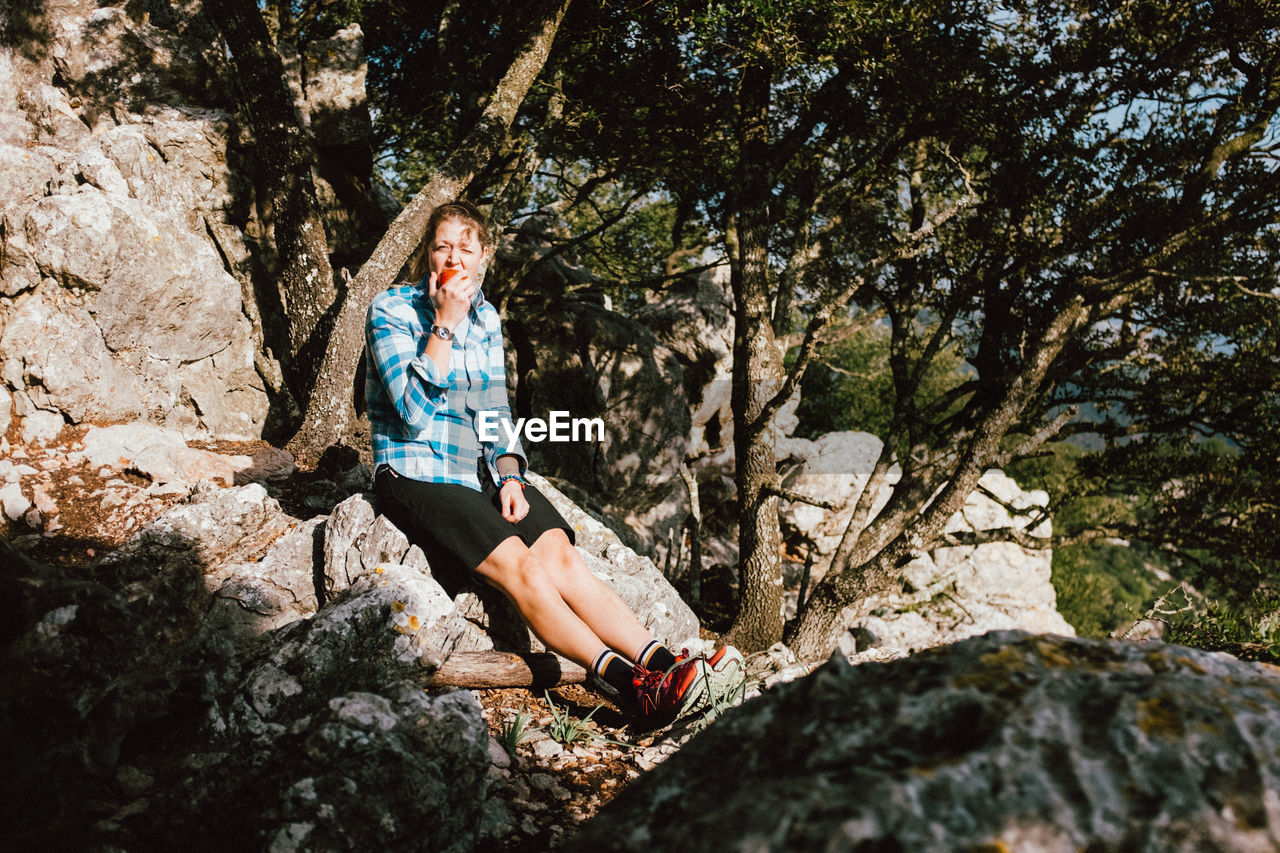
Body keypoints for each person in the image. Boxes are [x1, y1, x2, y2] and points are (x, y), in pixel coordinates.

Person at [365, 200, 739, 724]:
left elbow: (495, 411)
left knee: (562, 557)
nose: (453, 258)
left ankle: (665, 663)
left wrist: (511, 475)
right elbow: (411, 412)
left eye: (466, 248)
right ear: (427, 254)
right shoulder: (392, 309)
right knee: (525, 569)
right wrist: (444, 324)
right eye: (442, 246)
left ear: (484, 258)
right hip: (415, 473)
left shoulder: (488, 318)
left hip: (477, 477)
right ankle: (631, 688)